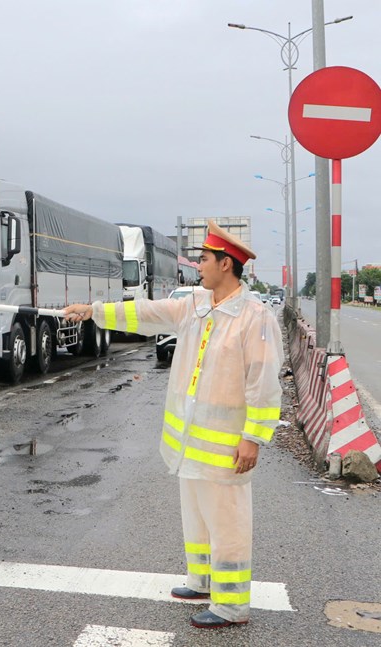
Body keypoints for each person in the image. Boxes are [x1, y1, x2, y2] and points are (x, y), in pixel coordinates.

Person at [62, 219, 282, 630]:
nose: (198, 266)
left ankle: (232, 605)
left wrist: (253, 438)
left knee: (227, 521)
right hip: (189, 445)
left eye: (204, 259)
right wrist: (92, 311)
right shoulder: (196, 305)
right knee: (196, 517)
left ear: (227, 264)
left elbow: (264, 385)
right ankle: (201, 581)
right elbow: (144, 312)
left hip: (226, 448)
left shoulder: (255, 318)